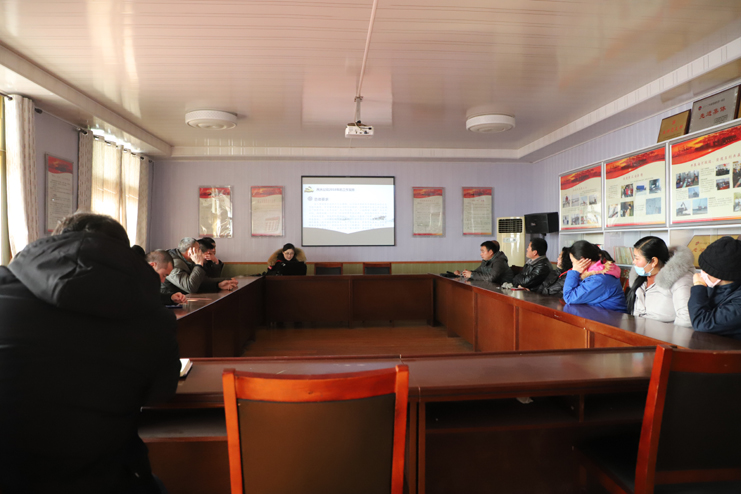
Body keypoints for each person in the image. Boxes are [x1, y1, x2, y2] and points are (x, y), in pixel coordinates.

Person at [0, 212, 180, 493]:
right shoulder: (152, 317)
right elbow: (161, 392)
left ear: (55, 241)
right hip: (103, 478)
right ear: (123, 255)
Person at [626, 237, 694, 326]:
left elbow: (686, 318)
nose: (634, 262)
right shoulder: (641, 279)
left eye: (637, 258)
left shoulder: (680, 280)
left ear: (654, 261)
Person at [688, 236, 741, 339]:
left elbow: (702, 323)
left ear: (721, 275)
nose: (702, 274)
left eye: (706, 270)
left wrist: (699, 287)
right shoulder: (715, 286)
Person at [563, 240, 626, 312]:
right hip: (599, 313)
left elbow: (569, 297)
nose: (573, 265)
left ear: (582, 260)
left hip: (611, 316)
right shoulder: (595, 272)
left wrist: (574, 272)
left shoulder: (599, 279)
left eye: (573, 262)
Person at [165, 237, 237, 293]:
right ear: (190, 251)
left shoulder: (189, 260)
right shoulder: (173, 262)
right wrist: (199, 264)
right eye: (198, 249)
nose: (200, 251)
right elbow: (190, 288)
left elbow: (201, 281)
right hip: (172, 302)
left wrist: (219, 284)